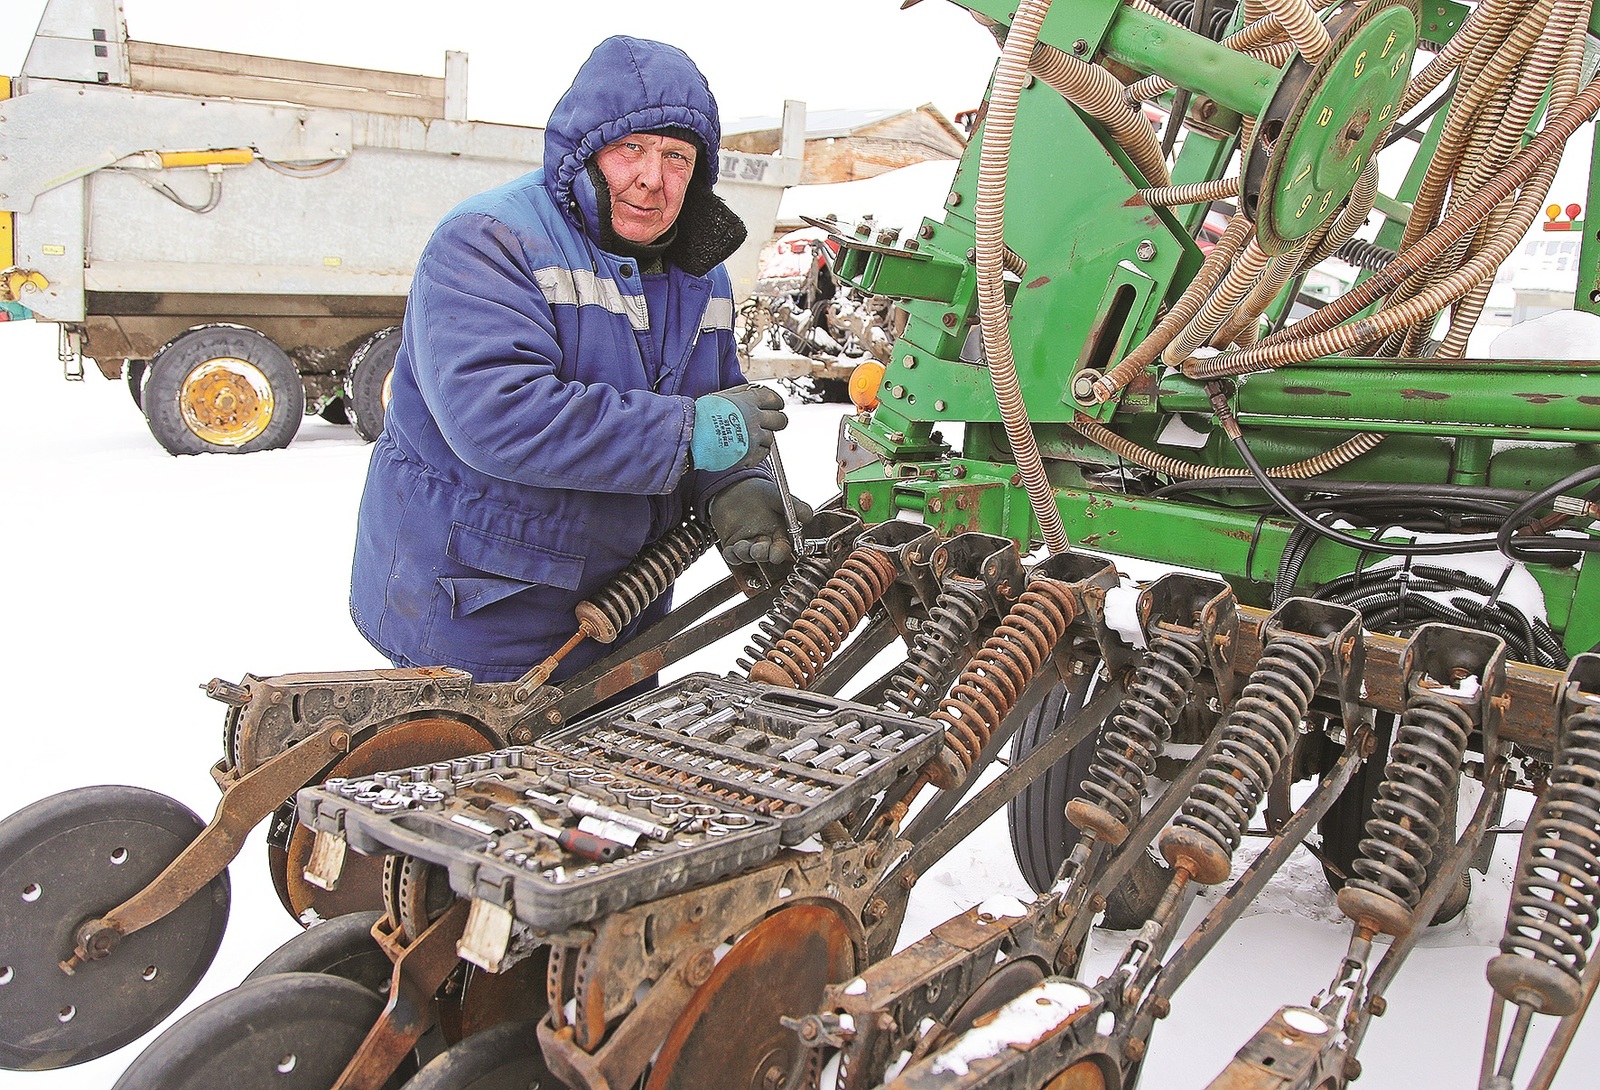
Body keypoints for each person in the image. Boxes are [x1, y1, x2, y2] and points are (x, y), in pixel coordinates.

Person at [350, 35, 804, 684]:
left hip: (626, 607)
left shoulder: (705, 273)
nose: (653, 178)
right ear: (584, 151)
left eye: (677, 156)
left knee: (603, 777)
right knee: (472, 777)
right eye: (632, 150)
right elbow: (496, 419)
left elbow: (716, 402)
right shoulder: (491, 239)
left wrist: (737, 487)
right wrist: (687, 435)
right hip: (479, 607)